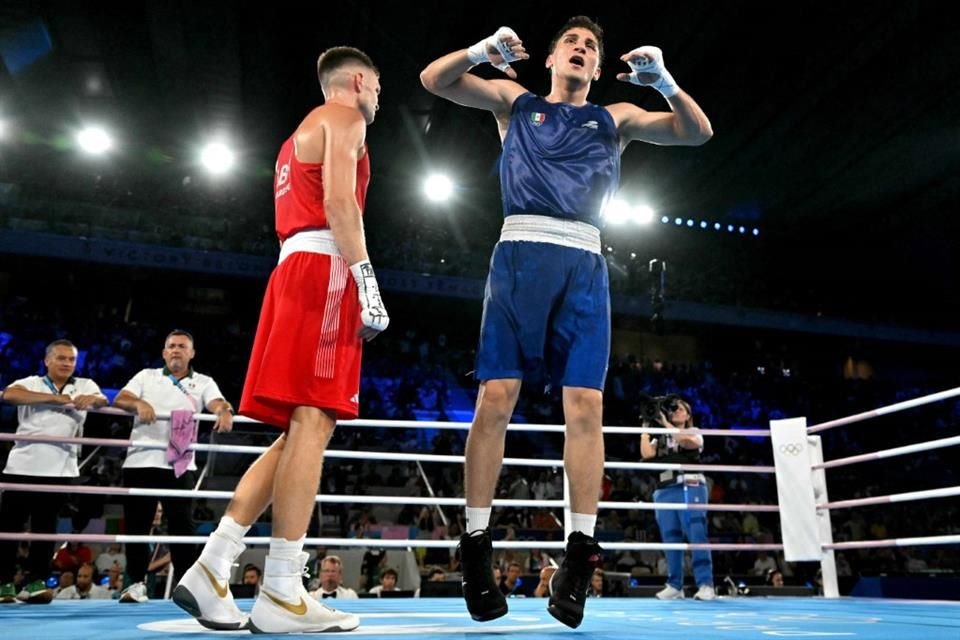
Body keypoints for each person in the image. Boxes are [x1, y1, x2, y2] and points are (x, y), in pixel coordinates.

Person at [420, 16, 712, 629]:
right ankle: (475, 546)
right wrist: (480, 49)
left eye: (590, 48)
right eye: (571, 44)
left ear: (598, 69)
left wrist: (664, 82)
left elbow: (696, 133)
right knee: (494, 397)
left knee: (586, 407)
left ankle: (579, 555)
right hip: (518, 257)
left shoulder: (617, 118)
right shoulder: (513, 103)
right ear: (550, 59)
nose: (580, 50)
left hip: (584, 261)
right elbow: (434, 80)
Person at [171, 46, 387, 634]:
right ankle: (284, 589)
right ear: (360, 81)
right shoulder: (345, 118)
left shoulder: (295, 137)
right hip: (324, 270)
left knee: (298, 430)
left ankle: (213, 564)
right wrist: (366, 278)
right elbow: (341, 202)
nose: (377, 99)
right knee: (315, 424)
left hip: (292, 270)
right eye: (377, 87)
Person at [111, 330, 235, 602]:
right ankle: (135, 584)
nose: (176, 350)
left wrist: (224, 411)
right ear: (164, 352)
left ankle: (186, 585)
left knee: (182, 526)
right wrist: (138, 402)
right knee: (137, 526)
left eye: (182, 346)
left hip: (179, 463)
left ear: (192, 353)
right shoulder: (146, 376)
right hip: (141, 460)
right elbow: (120, 399)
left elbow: (216, 401)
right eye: (171, 346)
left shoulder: (204, 381)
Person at [0, 339, 107, 587]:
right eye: (61, 358)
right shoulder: (31, 382)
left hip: (59, 469)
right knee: (9, 528)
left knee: (45, 530)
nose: (67, 363)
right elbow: (10, 394)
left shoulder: (85, 384)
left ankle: (37, 582)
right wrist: (56, 399)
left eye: (71, 359)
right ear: (47, 360)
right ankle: (3, 582)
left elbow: (102, 401)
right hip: (21, 467)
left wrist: (90, 400)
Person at [640, 395, 716, 600]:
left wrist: (665, 423)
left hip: (689, 485)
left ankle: (706, 584)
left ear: (689, 415)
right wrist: (646, 425)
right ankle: (675, 584)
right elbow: (647, 453)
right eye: (672, 409)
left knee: (696, 533)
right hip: (665, 488)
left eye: (680, 409)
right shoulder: (661, 436)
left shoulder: (694, 432)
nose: (676, 412)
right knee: (670, 536)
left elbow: (688, 444)